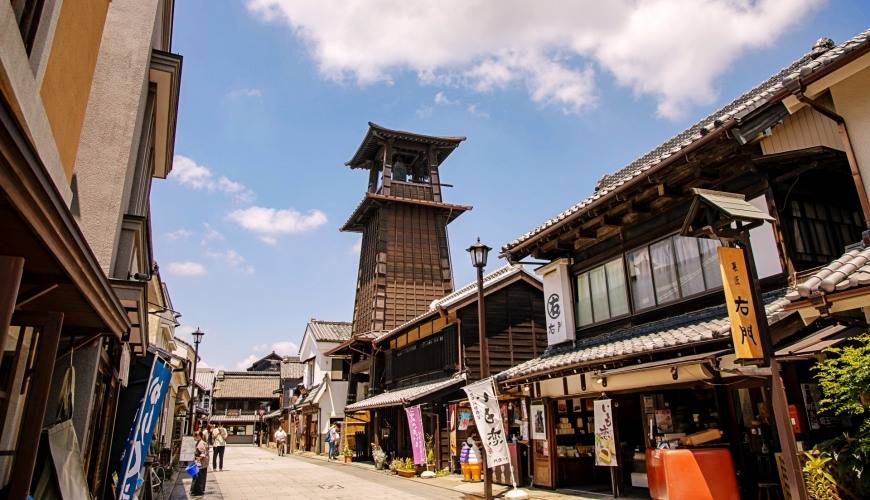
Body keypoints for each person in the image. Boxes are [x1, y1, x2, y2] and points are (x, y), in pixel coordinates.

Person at [190, 431, 210, 496]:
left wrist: (199, 458)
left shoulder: (201, 443)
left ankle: (197, 491)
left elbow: (203, 453)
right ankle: (196, 491)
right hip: (200, 463)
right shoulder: (200, 442)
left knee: (199, 477)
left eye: (195, 436)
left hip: (201, 463)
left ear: (198, 436)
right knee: (198, 477)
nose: (194, 437)